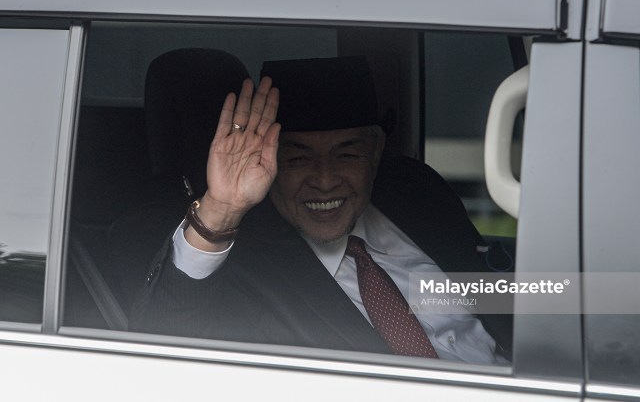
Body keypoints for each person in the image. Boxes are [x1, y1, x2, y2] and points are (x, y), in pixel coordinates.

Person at [131, 56, 507, 364]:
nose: (325, 180)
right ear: (268, 163)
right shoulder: (244, 263)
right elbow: (158, 351)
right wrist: (222, 209)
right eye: (297, 158)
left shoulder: (416, 193)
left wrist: (562, 298)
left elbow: (504, 296)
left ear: (375, 154)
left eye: (346, 154)